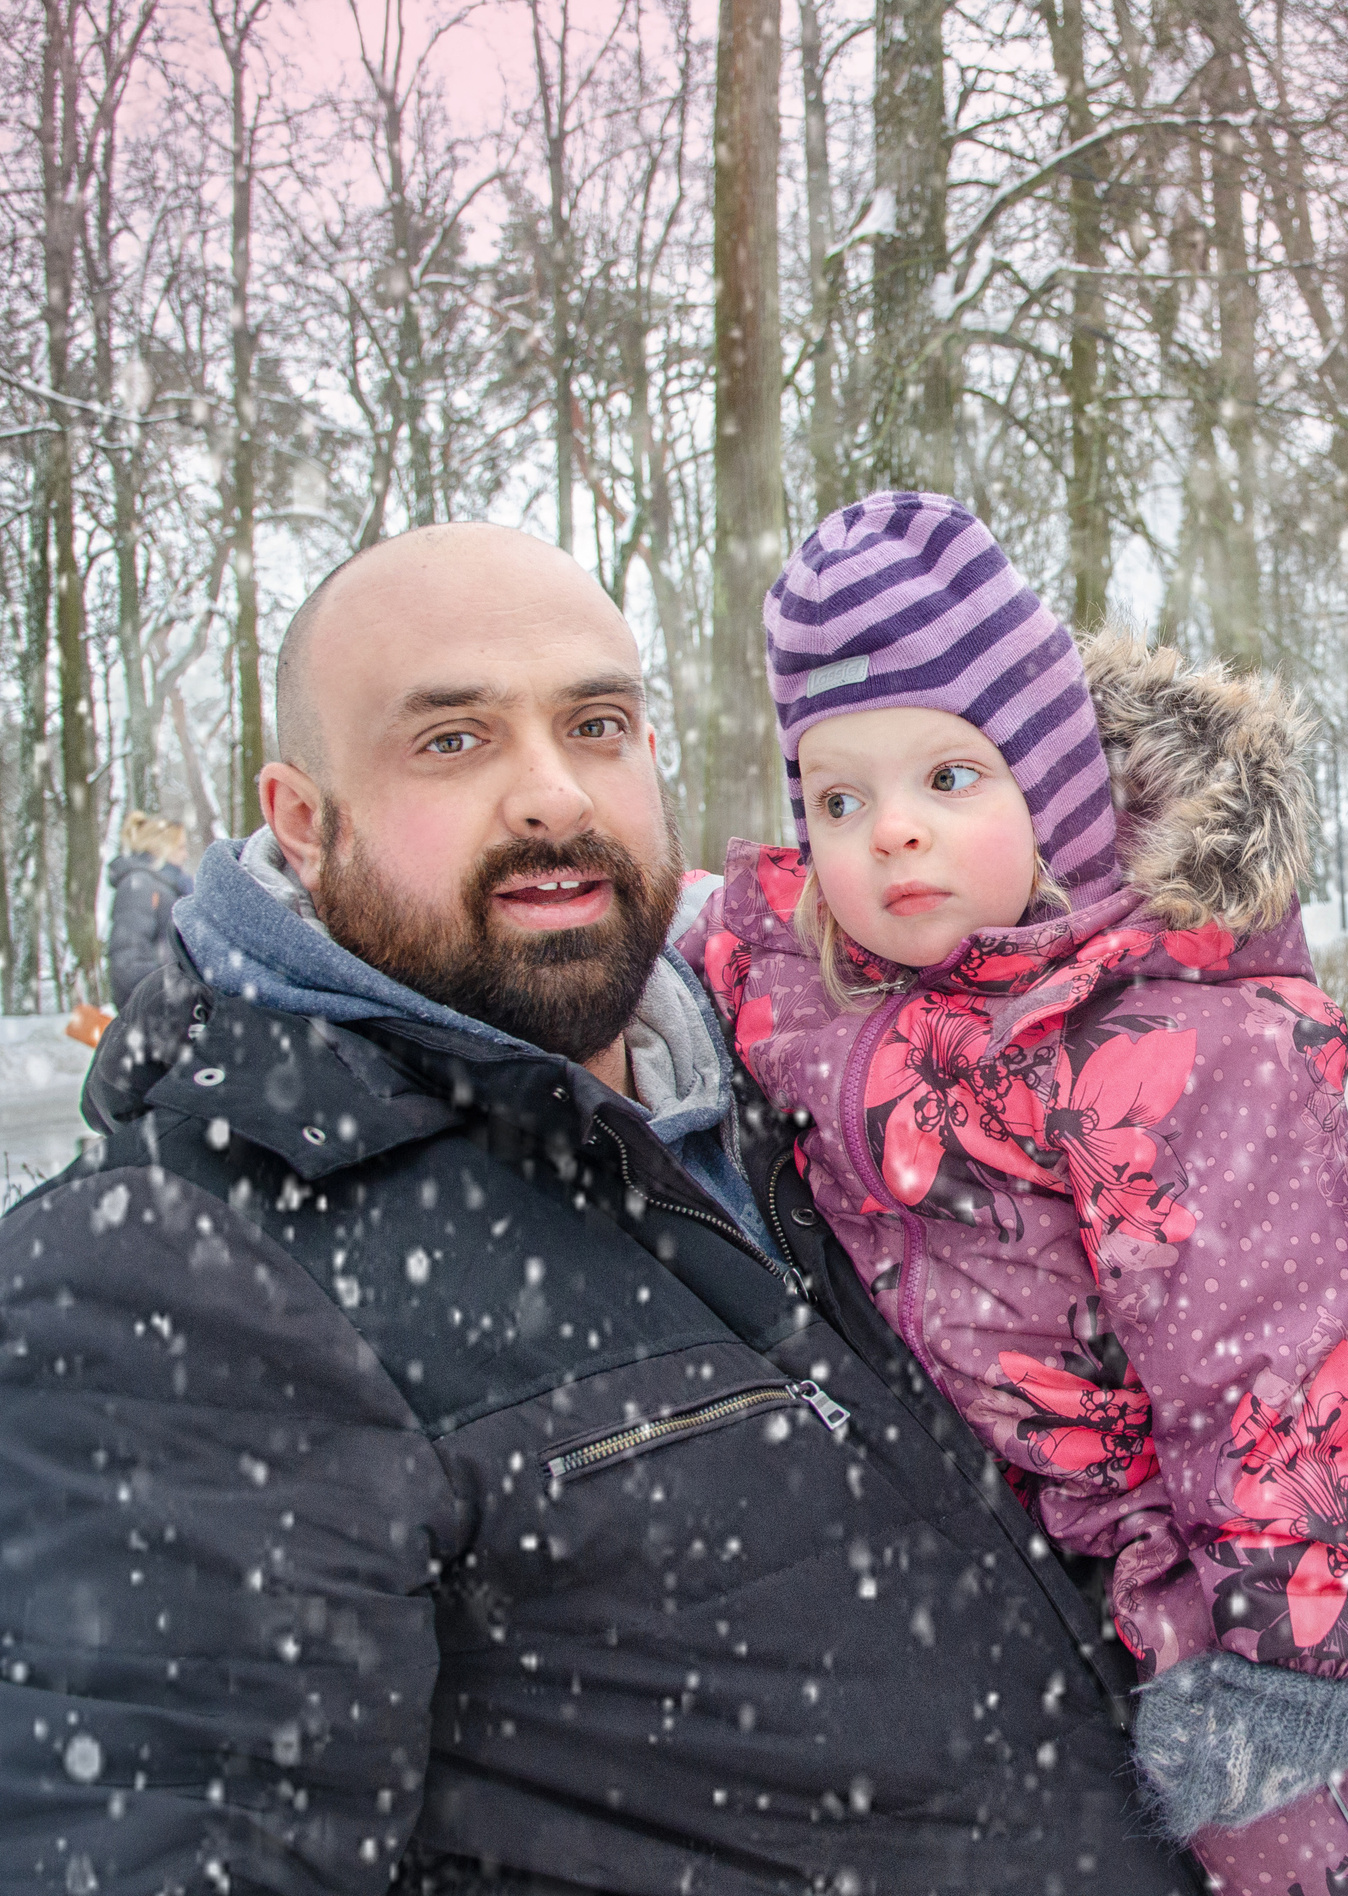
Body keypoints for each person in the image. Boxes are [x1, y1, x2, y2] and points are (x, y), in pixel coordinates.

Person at [0, 522, 1211, 1895]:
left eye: (595, 724)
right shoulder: (179, 1272)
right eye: (451, 741)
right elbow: (159, 1823)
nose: (553, 799)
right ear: (300, 816)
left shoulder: (819, 1097)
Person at [684, 493, 1348, 1894]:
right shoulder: (814, 979)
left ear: (1053, 784)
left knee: (1264, 1853)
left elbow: (1280, 1362)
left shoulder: (1179, 1044)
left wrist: (1286, 1653)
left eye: (948, 781)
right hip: (948, 1552)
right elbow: (714, 940)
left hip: (1165, 1592)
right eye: (841, 799)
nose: (890, 835)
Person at [106, 810, 194, 1009]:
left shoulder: (169, 887)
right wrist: (167, 994)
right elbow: (128, 957)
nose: (186, 854)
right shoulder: (139, 885)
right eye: (180, 848)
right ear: (160, 848)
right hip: (155, 1011)